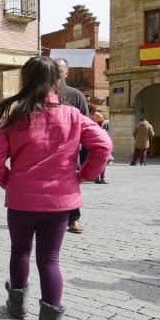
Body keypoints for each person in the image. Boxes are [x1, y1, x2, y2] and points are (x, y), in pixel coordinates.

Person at [0, 56, 112, 320]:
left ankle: (16, 306)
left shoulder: (15, 117)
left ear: (25, 81)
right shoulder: (72, 115)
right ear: (57, 81)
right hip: (59, 202)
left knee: (20, 252)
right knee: (50, 259)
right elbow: (103, 145)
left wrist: (10, 182)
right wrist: (85, 174)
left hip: (21, 201)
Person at [53, 58, 89, 234]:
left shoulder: (75, 95)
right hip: (47, 151)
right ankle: (48, 218)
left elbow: (86, 124)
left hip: (70, 152)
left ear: (67, 73)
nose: (56, 73)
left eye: (60, 70)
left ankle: (73, 219)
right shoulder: (40, 93)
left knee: (70, 185)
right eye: (53, 69)